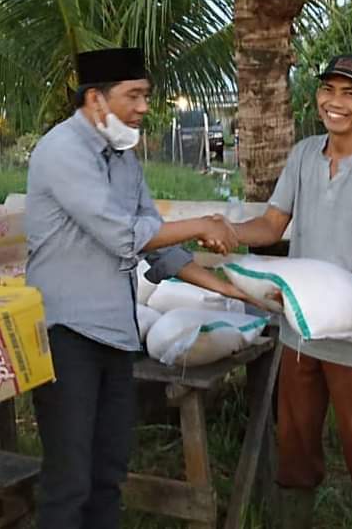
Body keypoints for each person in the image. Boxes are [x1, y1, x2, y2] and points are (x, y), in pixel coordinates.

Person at [25, 47, 251, 529]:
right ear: (95, 98)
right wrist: (201, 222)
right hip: (67, 335)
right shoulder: (62, 150)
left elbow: (156, 246)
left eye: (146, 95)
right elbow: (122, 232)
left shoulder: (123, 158)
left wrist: (233, 293)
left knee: (108, 474)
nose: (144, 107)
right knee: (69, 481)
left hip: (116, 335)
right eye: (134, 95)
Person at [230, 54, 352, 529]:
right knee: (295, 446)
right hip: (298, 337)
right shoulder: (305, 155)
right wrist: (227, 234)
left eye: (350, 94)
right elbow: (273, 224)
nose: (336, 103)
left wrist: (330, 306)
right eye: (329, 90)